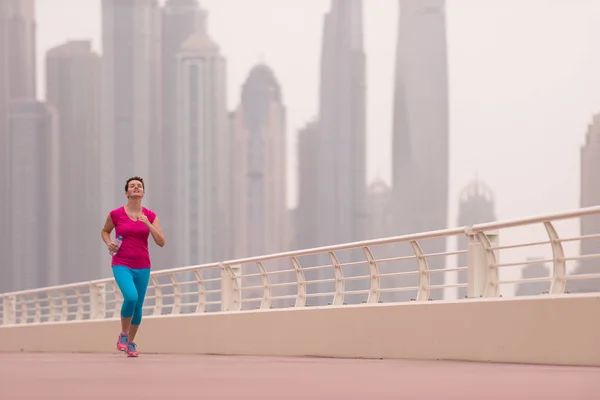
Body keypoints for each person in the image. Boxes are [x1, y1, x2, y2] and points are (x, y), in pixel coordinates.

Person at [101, 176, 165, 357]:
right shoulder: (116, 214)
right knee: (131, 297)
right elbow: (105, 231)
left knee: (138, 306)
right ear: (127, 193)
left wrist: (147, 224)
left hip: (143, 265)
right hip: (121, 263)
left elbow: (161, 241)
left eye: (139, 186)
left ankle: (131, 343)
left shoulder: (150, 216)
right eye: (132, 186)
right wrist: (109, 243)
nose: (136, 188)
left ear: (143, 192)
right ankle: (123, 335)